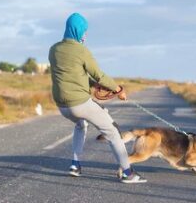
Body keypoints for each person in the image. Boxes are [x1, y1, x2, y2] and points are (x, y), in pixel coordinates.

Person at [48, 12, 147, 183]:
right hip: (79, 103)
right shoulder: (81, 50)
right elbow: (99, 75)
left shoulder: (54, 49)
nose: (85, 35)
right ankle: (128, 173)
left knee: (80, 125)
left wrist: (92, 85)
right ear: (78, 30)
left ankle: (75, 165)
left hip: (62, 105)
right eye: (84, 31)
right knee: (113, 131)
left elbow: (70, 75)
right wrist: (118, 90)